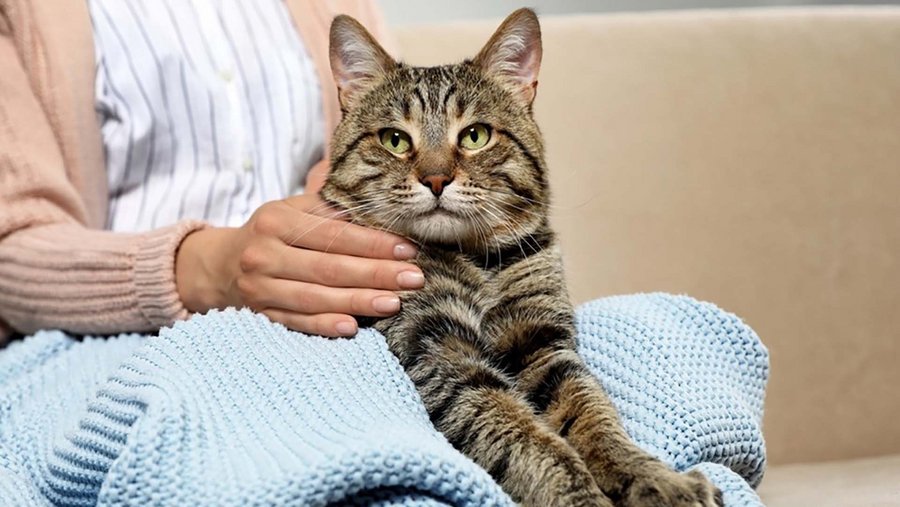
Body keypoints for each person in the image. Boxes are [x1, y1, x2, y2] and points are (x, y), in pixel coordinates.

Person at [0, 0, 424, 341]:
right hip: (119, 337)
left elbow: (394, 119)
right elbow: (10, 249)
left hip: (332, 313)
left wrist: (333, 195)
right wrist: (205, 269)